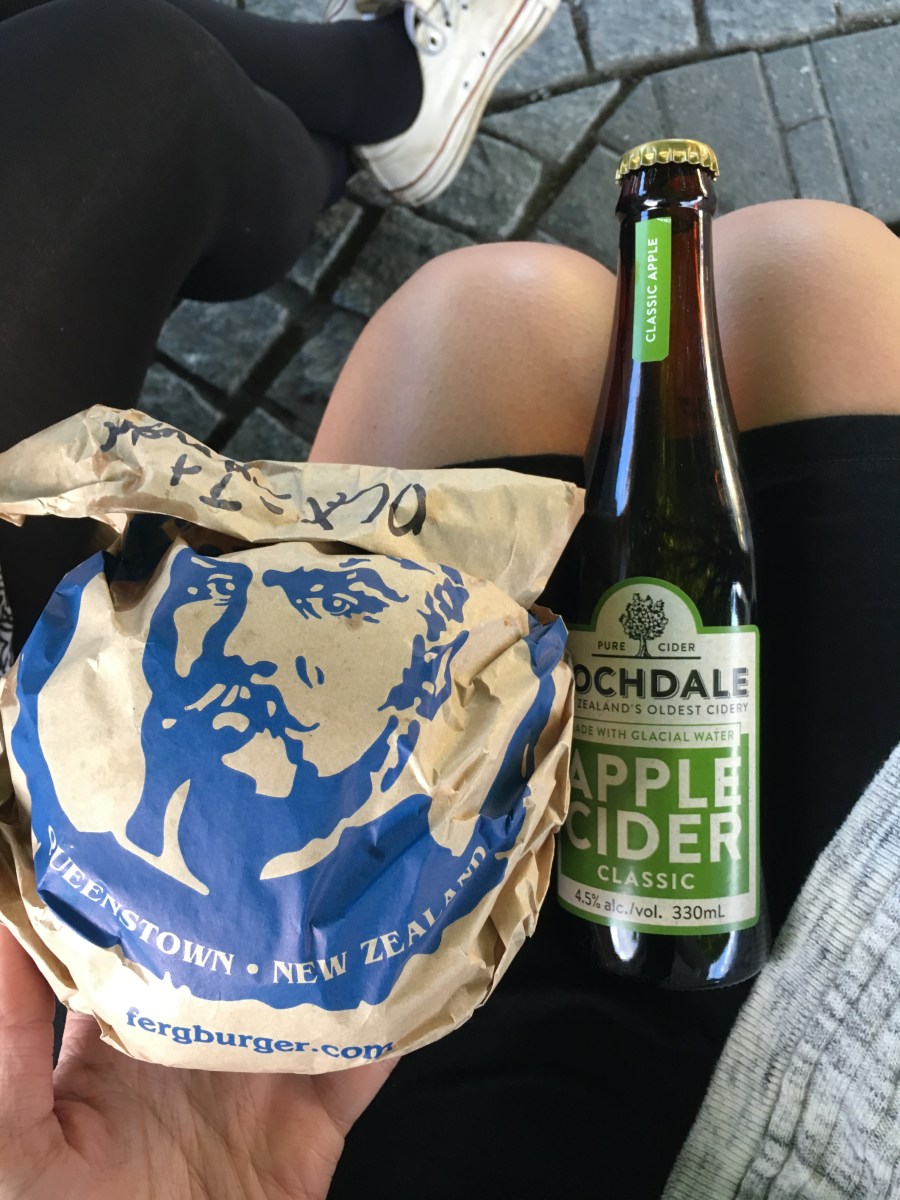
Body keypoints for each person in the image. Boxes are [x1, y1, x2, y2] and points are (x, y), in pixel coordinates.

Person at [1, 0, 900, 1197]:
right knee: (815, 270)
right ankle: (381, 107)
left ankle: (380, 104)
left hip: (373, 1091)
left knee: (489, 307)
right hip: (843, 1046)